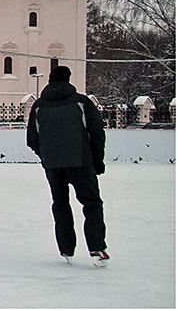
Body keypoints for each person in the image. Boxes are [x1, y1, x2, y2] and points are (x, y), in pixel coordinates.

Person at [26, 65, 109, 266]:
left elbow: (32, 139)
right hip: (81, 161)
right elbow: (97, 132)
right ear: (69, 79)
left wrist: (46, 156)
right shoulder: (81, 102)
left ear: (50, 80)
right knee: (91, 203)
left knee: (60, 204)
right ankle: (97, 248)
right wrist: (97, 160)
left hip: (53, 165)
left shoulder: (38, 106)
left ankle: (66, 248)